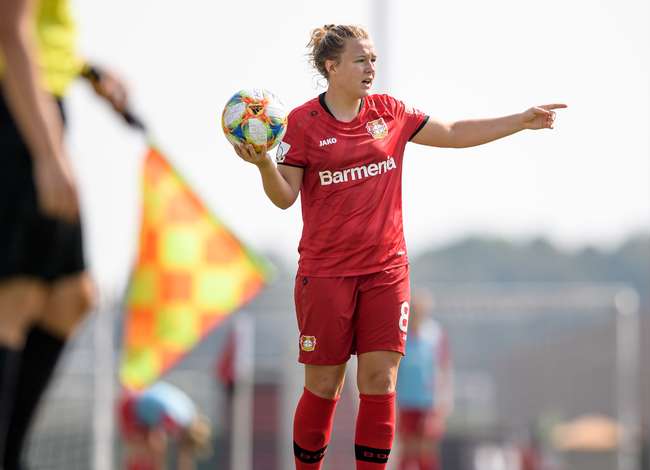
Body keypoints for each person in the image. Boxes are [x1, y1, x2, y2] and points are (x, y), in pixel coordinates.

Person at [231, 23, 565, 470]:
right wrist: (263, 166)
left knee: (379, 380)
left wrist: (518, 122)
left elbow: (450, 131)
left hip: (386, 271)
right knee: (324, 384)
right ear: (332, 67)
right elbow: (285, 196)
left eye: (372, 59)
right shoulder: (302, 124)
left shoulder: (390, 111)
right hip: (326, 273)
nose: (371, 67)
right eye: (360, 60)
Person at [0, 0, 132, 467]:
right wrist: (48, 151)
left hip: (31, 108)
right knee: (13, 297)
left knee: (69, 296)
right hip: (18, 116)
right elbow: (10, 31)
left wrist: (84, 70)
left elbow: (34, 30)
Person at [395, 290, 452, 470]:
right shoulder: (401, 335)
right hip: (405, 401)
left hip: (429, 402)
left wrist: (443, 401)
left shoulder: (435, 334)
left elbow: (444, 368)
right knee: (408, 449)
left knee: (427, 449)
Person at [118, 381, 212, 470]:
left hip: (141, 397)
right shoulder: (174, 420)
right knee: (144, 452)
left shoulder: (190, 414)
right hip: (132, 407)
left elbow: (184, 454)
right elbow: (160, 444)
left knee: (149, 451)